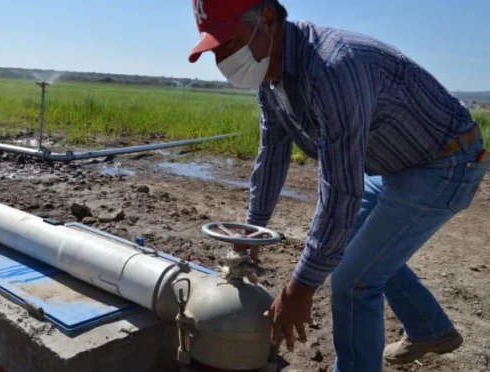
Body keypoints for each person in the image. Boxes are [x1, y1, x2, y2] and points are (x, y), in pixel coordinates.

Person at [187, 0, 488, 371]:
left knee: (353, 279)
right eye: (215, 50)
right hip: (394, 164)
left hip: (446, 161)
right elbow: (272, 159)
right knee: (361, 252)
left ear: (267, 20)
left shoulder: (333, 68)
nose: (223, 60)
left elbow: (341, 194)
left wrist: (300, 289)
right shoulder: (270, 80)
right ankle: (430, 329)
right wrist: (250, 235)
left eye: (229, 43)